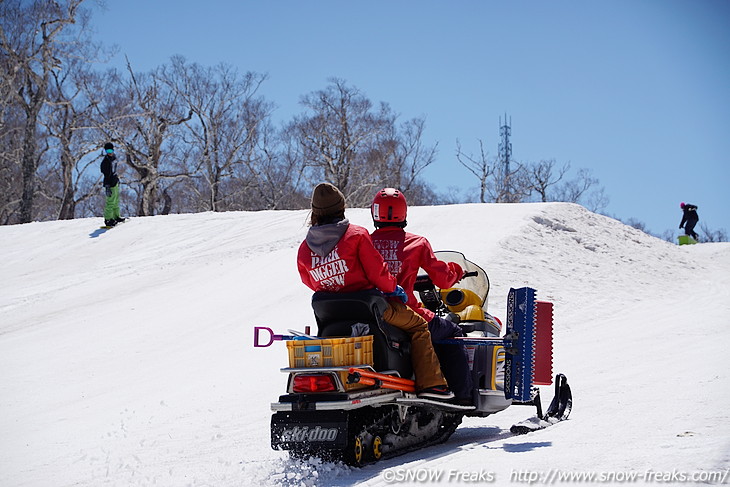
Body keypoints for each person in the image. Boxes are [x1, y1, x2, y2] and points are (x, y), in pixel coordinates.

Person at [296, 182, 454, 401]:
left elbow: (309, 281)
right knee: (419, 326)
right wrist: (393, 288)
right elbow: (378, 273)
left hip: (332, 314)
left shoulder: (305, 247)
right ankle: (431, 384)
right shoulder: (355, 235)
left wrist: (335, 286)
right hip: (371, 309)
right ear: (342, 206)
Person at [370, 187, 474, 406]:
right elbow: (443, 279)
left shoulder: (366, 243)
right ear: (404, 213)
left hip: (372, 310)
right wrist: (457, 271)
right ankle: (462, 394)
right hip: (407, 311)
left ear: (375, 212)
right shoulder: (417, 243)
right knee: (452, 331)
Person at [100, 142, 125, 227]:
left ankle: (116, 216)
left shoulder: (114, 158)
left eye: (110, 150)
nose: (109, 152)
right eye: (107, 151)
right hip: (109, 184)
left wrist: (117, 179)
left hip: (115, 182)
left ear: (113, 150)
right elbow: (105, 174)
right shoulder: (105, 161)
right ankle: (108, 219)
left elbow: (114, 171)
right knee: (110, 202)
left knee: (116, 201)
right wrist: (107, 186)